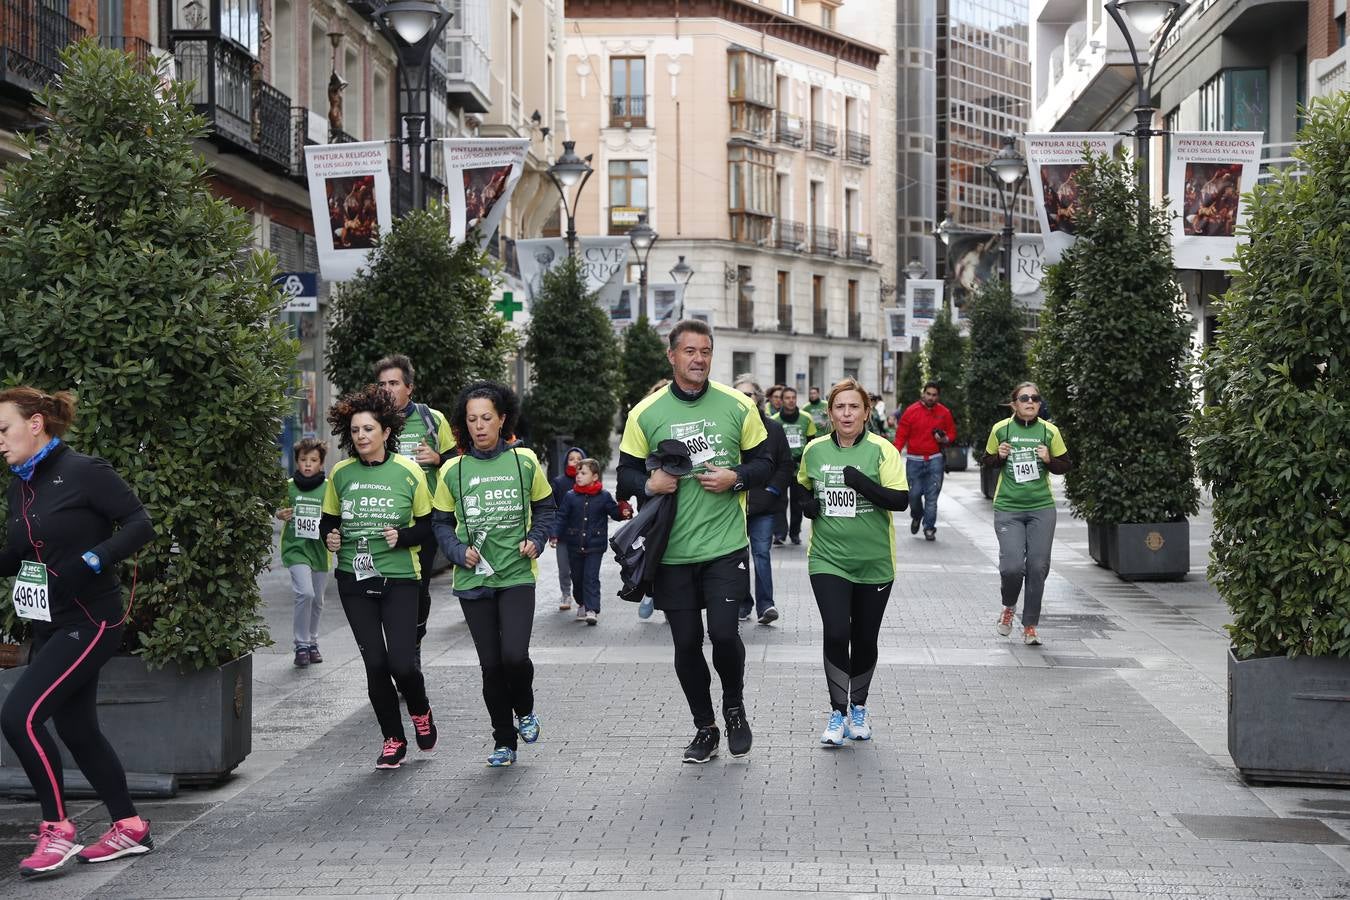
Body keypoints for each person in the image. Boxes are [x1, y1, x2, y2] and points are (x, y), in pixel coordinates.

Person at [0, 387, 156, 876]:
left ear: (36, 423)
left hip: (92, 617)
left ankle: (58, 830)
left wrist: (96, 558)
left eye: (3, 430)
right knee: (77, 728)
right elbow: (16, 556)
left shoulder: (85, 471)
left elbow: (139, 523)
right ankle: (129, 826)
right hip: (51, 619)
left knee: (19, 716)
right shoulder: (19, 485)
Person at [617, 320, 772, 764]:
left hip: (724, 545)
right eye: (689, 351)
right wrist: (652, 482)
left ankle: (735, 706)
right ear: (672, 356)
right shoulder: (644, 413)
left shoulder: (738, 406)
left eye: (705, 351)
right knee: (686, 643)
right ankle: (705, 727)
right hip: (672, 553)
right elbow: (624, 476)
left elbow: (766, 461)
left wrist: (736, 477)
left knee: (723, 634)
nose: (699, 359)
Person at [432, 381, 555, 768]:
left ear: (503, 420)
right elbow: (440, 523)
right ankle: (504, 739)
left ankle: (526, 710)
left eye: (487, 418)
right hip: (474, 581)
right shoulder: (454, 469)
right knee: (491, 666)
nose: (480, 426)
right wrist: (455, 552)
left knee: (514, 657)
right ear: (463, 425)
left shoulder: (525, 462)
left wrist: (536, 539)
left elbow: (547, 509)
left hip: (517, 575)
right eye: (472, 420)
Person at [319, 385, 436, 770]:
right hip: (354, 580)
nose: (361, 437)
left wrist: (402, 537)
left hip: (401, 578)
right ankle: (393, 738)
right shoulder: (340, 474)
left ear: (386, 432)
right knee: (376, 665)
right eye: (355, 431)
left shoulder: (409, 472)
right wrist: (330, 536)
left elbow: (428, 528)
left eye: (368, 429)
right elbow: (328, 522)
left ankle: (420, 711)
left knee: (402, 664)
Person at [792, 379, 909, 746]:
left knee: (864, 638)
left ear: (865, 412)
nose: (846, 414)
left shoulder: (882, 450)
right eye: (840, 407)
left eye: (853, 407)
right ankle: (837, 712)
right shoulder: (814, 450)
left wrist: (861, 483)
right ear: (829, 413)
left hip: (874, 561)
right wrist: (806, 504)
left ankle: (859, 706)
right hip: (828, 558)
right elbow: (801, 485)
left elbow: (900, 501)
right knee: (837, 632)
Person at [374, 356, 454, 658]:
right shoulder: (373, 422)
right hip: (384, 519)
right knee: (388, 587)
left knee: (418, 587)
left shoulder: (432, 419)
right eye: (382, 384)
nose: (387, 389)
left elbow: (455, 463)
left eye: (393, 383)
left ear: (409, 387)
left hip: (424, 519)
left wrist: (436, 459)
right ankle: (399, 648)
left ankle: (414, 642)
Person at [981, 382, 1071, 647]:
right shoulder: (1001, 429)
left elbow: (1065, 465)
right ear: (1014, 404)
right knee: (1012, 568)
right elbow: (986, 461)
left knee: (1037, 567)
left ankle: (1030, 624)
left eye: (1035, 398)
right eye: (1024, 398)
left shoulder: (1049, 431)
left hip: (1041, 508)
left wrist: (1048, 460)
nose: (1030, 402)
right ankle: (1008, 606)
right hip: (1008, 507)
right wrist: (998, 456)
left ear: (1039, 404)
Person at [733, 377, 793, 626]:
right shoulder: (727, 428)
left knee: (761, 554)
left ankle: (766, 605)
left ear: (758, 398)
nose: (746, 399)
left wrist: (772, 490)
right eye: (739, 395)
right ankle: (743, 602)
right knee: (737, 556)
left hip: (765, 504)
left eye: (749, 394)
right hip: (734, 504)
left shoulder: (773, 429)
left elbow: (785, 465)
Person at [550, 458, 631, 625]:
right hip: (574, 544)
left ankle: (592, 609)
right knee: (577, 578)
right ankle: (581, 602)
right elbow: (561, 517)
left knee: (591, 577)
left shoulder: (604, 496)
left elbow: (614, 513)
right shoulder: (570, 496)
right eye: (578, 472)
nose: (578, 475)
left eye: (583, 472)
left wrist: (623, 511)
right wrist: (554, 534)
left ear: (595, 476)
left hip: (595, 545)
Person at [276, 438, 331, 668]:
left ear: (321, 463)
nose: (308, 464)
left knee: (317, 600)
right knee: (305, 593)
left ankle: (312, 642)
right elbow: (278, 510)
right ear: (297, 462)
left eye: (313, 460)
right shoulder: (288, 486)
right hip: (296, 548)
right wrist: (281, 514)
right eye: (303, 460)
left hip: (319, 550)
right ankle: (300, 644)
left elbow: (335, 514)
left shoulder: (329, 488)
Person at [893, 381, 957, 541]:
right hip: (914, 460)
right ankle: (917, 515)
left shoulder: (944, 412)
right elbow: (901, 434)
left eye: (934, 395)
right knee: (913, 495)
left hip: (935, 460)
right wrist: (894, 454)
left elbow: (952, 434)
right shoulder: (911, 411)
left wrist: (943, 439)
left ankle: (929, 528)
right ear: (923, 393)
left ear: (938, 396)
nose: (931, 397)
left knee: (932, 497)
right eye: (928, 394)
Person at [771, 387, 817, 546]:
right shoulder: (775, 419)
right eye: (787, 398)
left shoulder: (806, 418)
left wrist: (804, 459)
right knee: (779, 502)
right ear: (782, 401)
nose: (791, 400)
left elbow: (812, 442)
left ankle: (795, 533)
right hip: (781, 468)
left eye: (793, 397)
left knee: (798, 503)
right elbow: (772, 445)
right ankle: (779, 534)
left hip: (799, 468)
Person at [548, 446, 586, 611]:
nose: (575, 462)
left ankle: (583, 601)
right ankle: (566, 594)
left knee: (581, 571)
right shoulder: (559, 482)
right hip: (563, 535)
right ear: (566, 462)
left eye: (579, 459)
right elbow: (552, 509)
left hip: (583, 536)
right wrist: (552, 532)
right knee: (564, 568)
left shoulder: (590, 483)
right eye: (572, 459)